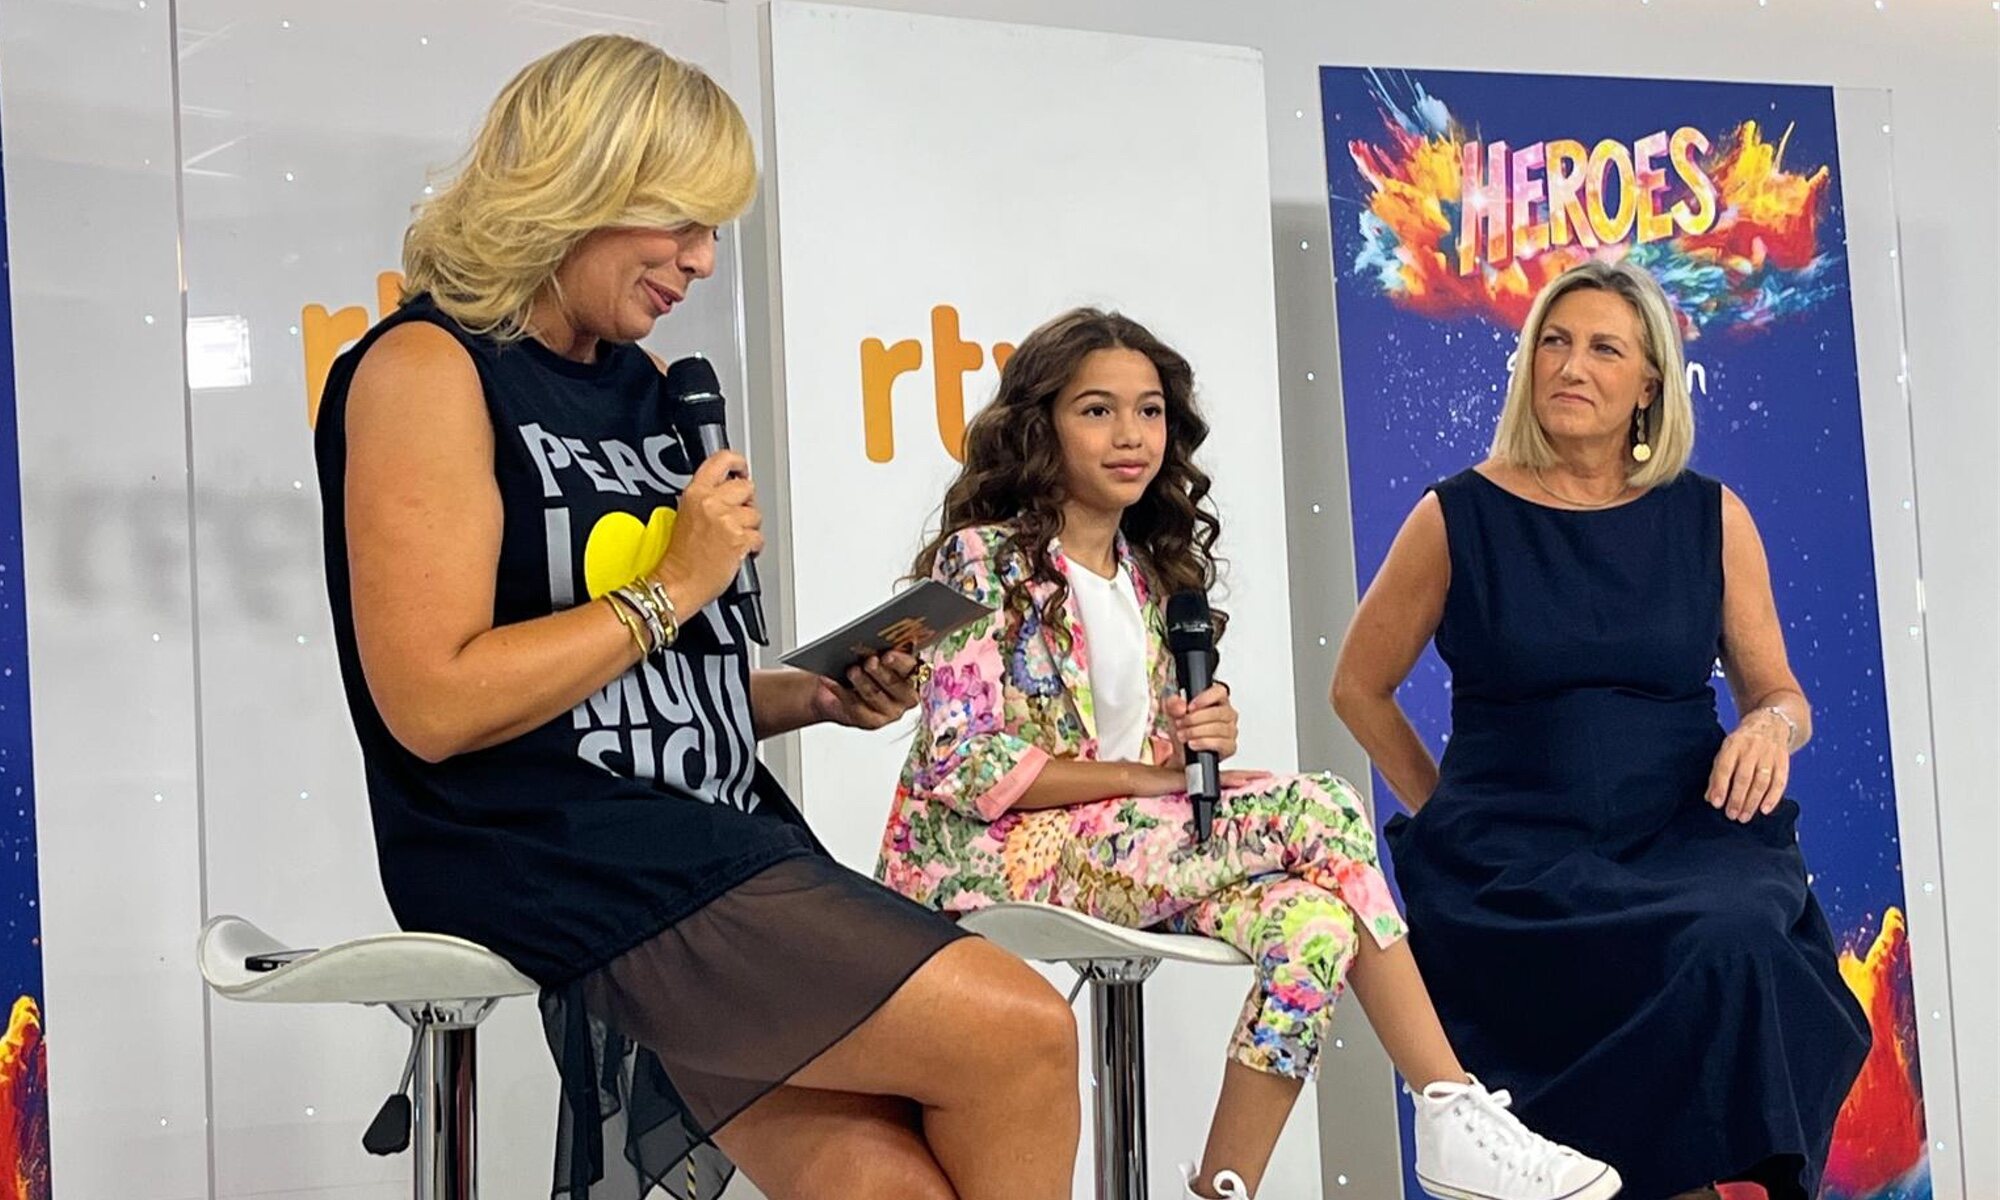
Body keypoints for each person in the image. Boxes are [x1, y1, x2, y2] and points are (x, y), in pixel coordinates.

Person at [314, 35, 1080, 1200]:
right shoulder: (427, 369)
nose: (703, 261)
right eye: (681, 223)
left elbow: (642, 681)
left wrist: (810, 694)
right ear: (580, 182)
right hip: (551, 845)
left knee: (884, 1183)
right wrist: (673, 584)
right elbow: (432, 703)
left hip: (703, 826)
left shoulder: (639, 382)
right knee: (1020, 1033)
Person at [878, 307, 1620, 1200]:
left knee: (1313, 925)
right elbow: (962, 761)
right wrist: (1150, 777)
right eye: (1098, 411)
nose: (1131, 437)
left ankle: (1223, 1188)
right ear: (1042, 427)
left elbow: (1140, 762)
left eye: (1150, 413)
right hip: (985, 857)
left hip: (1107, 847)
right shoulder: (980, 561)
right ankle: (1446, 1103)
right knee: (1323, 806)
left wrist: (1193, 745)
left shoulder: (1151, 582)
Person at [1332, 259, 1871, 1200]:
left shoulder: (1711, 516)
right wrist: (1446, 810)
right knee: (1594, 965)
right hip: (1514, 850)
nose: (1571, 366)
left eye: (1603, 348)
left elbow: (1781, 692)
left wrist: (1769, 732)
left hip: (1685, 833)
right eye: (1554, 341)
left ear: (1648, 384)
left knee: (1736, 938)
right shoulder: (1455, 515)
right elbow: (1358, 687)